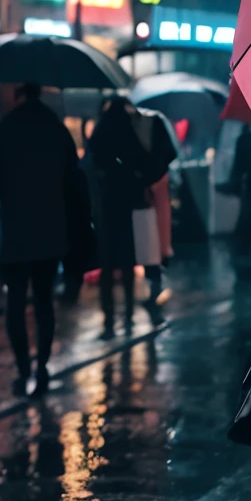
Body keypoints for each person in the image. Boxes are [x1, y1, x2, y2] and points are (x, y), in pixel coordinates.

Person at [0, 85, 87, 395]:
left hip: (12, 233)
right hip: (50, 232)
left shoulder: (0, 132)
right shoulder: (58, 132)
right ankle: (41, 370)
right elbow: (72, 181)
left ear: (16, 95)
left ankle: (23, 369)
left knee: (14, 302)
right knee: (43, 303)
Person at [86, 97, 152, 337]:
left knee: (107, 265)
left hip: (106, 208)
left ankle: (108, 319)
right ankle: (128, 316)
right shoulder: (129, 131)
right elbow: (143, 163)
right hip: (128, 207)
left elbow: (90, 163)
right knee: (126, 264)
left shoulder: (101, 131)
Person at [132, 104, 178, 318]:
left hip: (144, 192)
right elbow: (169, 153)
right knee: (157, 241)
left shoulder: (137, 124)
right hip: (156, 189)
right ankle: (155, 285)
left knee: (150, 241)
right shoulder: (155, 122)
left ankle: (154, 287)